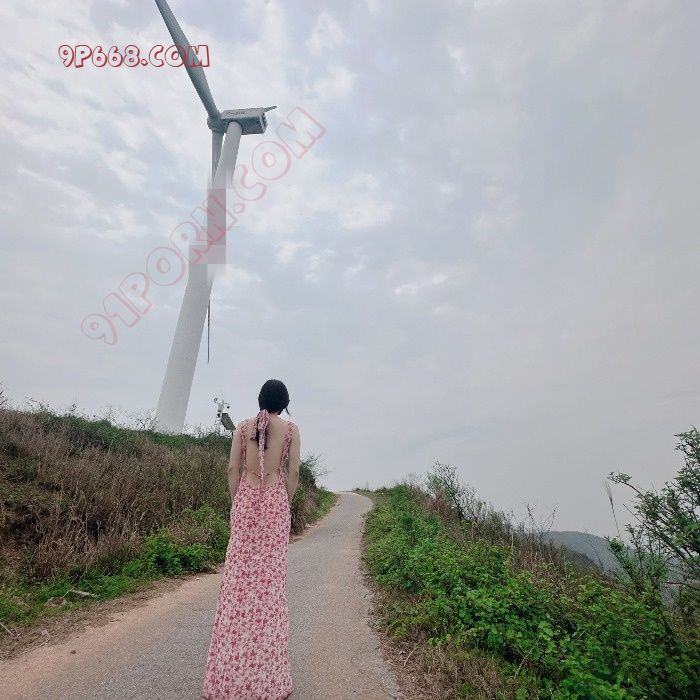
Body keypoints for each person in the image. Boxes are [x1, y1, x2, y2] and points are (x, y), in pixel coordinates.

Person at [201, 379, 301, 699]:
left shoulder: (242, 428)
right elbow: (294, 472)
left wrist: (238, 502)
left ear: (260, 399)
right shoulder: (291, 430)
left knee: (237, 586)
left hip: (245, 502)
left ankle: (229, 678)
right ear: (283, 403)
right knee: (269, 588)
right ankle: (266, 680)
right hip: (274, 504)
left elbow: (233, 469)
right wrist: (284, 501)